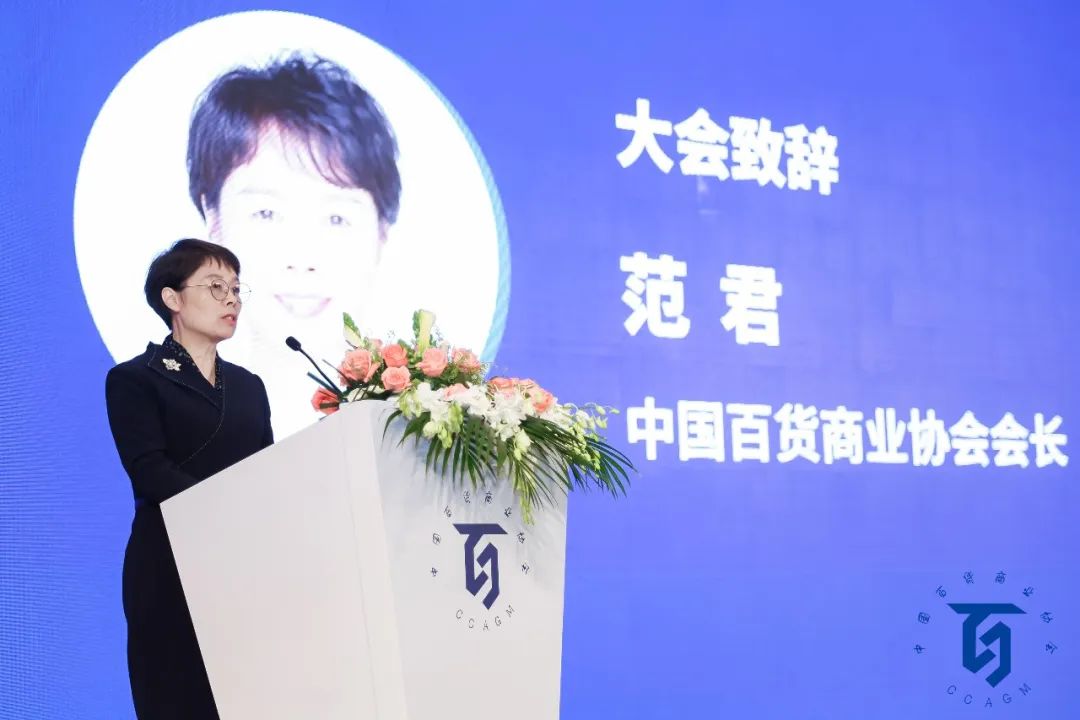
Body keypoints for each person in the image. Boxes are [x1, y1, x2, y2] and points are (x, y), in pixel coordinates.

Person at [186, 52, 402, 439]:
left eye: (336, 218)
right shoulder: (173, 415)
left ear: (381, 233)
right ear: (213, 221)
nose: (303, 260)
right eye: (266, 213)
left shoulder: (424, 424)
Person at [105, 238, 273, 719]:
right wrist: (230, 510)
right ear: (172, 298)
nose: (231, 299)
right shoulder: (135, 379)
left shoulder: (249, 386)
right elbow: (150, 470)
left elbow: (268, 470)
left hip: (242, 567)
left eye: (236, 289)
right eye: (216, 286)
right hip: (170, 564)